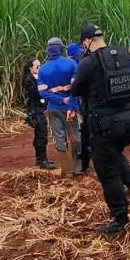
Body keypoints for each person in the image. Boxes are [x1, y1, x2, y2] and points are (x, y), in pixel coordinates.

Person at [71, 24, 130, 235]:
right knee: (115, 154)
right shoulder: (121, 54)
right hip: (125, 120)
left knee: (107, 172)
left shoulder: (88, 61)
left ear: (86, 42)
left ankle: (119, 219)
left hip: (103, 124)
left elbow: (76, 90)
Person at [38, 38, 81, 175]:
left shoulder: (43, 69)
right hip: (72, 106)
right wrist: (69, 102)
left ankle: (67, 169)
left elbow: (42, 92)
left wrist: (60, 100)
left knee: (59, 137)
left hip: (54, 108)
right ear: (61, 49)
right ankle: (80, 167)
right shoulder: (71, 64)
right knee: (76, 135)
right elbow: (76, 87)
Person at [22, 58, 54, 169]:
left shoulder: (38, 78)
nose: (39, 68)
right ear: (30, 68)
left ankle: (41, 158)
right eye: (37, 66)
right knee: (41, 135)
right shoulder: (28, 79)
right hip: (36, 110)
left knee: (41, 134)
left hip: (41, 108)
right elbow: (38, 92)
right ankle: (42, 160)